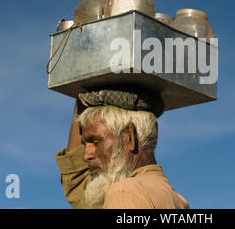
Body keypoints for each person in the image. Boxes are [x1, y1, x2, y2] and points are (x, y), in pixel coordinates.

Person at [55, 89, 189, 209]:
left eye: (95, 142)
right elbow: (78, 185)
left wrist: (80, 84)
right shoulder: (177, 200)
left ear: (129, 137)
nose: (86, 156)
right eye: (85, 145)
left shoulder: (124, 192)